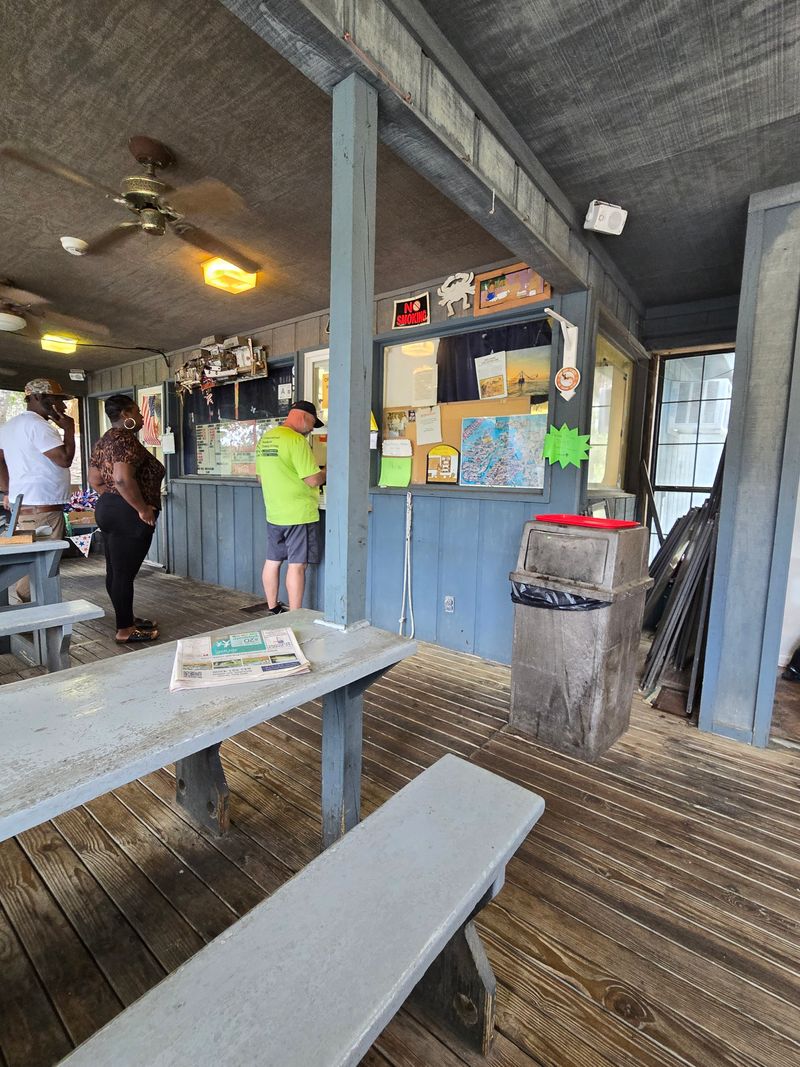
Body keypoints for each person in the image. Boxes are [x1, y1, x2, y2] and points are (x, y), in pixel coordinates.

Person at [88, 394, 165, 644]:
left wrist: (114, 500)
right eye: (138, 412)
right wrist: (141, 509)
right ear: (126, 414)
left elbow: (95, 480)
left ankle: (126, 618)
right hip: (128, 513)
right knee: (123, 573)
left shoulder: (104, 440)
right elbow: (122, 478)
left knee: (115, 570)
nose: (142, 417)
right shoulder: (124, 439)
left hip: (109, 508)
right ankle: (125, 630)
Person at [0, 378, 75, 602]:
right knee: (43, 569)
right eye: (57, 400)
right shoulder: (39, 426)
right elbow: (64, 459)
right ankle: (33, 611)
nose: (62, 406)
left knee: (32, 563)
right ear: (37, 397)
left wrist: (7, 491)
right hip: (44, 512)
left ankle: (31, 607)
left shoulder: (10, 426)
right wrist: (69, 430)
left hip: (25, 508)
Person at [255, 400, 326, 613]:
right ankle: (294, 615)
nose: (312, 429)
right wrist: (327, 472)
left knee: (273, 560)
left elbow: (260, 478)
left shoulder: (266, 439)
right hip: (298, 514)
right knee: (297, 565)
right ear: (303, 417)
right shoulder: (296, 441)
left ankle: (273, 607)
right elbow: (312, 480)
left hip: (274, 512)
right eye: (312, 423)